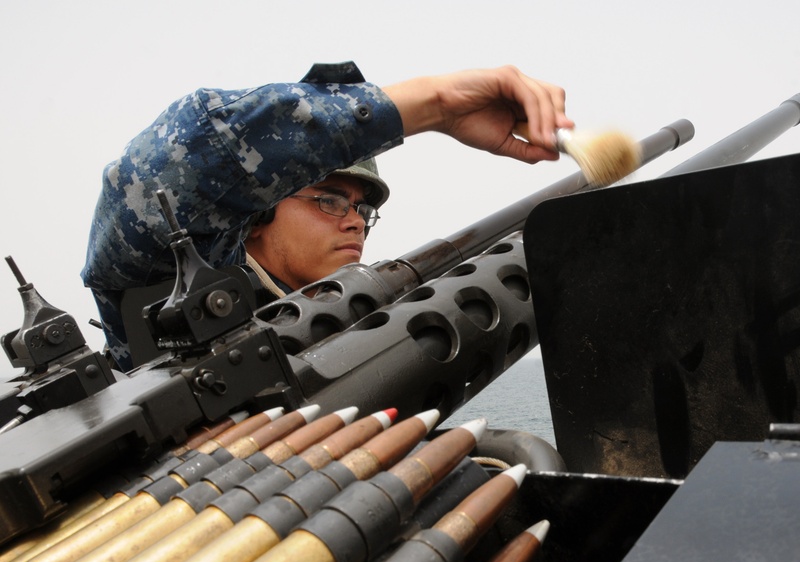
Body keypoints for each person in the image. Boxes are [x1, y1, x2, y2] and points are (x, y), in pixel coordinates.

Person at [81, 62, 573, 371]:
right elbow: (172, 166)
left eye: (362, 209)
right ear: (258, 209)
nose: (356, 221)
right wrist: (435, 105)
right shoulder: (180, 297)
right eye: (329, 201)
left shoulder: (351, 330)